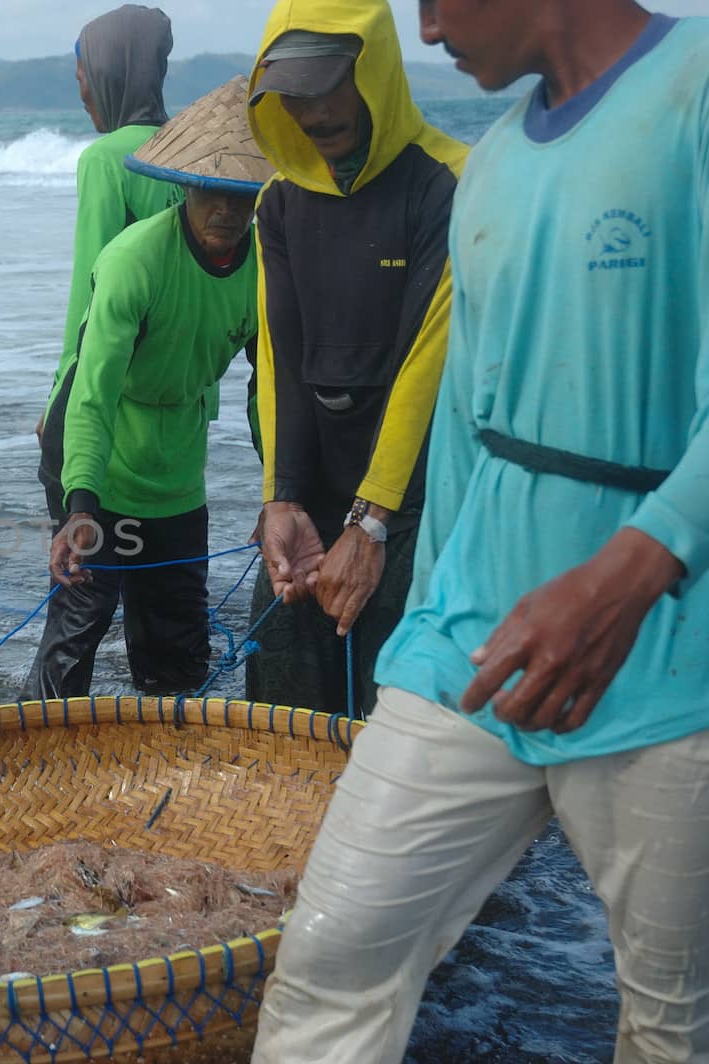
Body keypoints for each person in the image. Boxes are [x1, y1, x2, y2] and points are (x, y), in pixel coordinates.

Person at [252, 0, 709, 1059]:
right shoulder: (494, 165)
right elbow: (466, 423)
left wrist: (624, 577)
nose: (422, 32)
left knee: (665, 1020)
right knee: (330, 954)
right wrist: (419, 617)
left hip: (668, 655)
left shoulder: (693, 88)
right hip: (468, 647)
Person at [243, 0, 466, 718]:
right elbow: (281, 356)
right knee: (281, 714)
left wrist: (370, 523)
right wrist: (283, 498)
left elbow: (426, 362)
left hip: (417, 499)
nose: (314, 112)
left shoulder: (446, 183)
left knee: (400, 718)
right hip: (316, 494)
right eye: (295, 93)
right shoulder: (277, 203)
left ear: (376, 70)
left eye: (332, 84)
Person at [23, 77, 267, 700]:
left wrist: (282, 492)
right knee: (79, 628)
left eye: (242, 196)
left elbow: (270, 387)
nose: (226, 212)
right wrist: (80, 506)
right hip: (93, 453)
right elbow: (93, 393)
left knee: (178, 653)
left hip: (176, 466)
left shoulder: (268, 266)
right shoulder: (135, 260)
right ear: (185, 183)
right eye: (211, 191)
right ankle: (38, 767)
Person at [41, 5, 223, 440]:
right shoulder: (195, 154)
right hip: (189, 391)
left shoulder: (107, 159)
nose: (82, 94)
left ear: (108, 75)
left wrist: (61, 394)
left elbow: (91, 291)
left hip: (117, 392)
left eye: (81, 77)